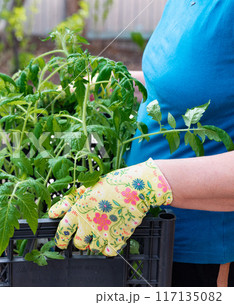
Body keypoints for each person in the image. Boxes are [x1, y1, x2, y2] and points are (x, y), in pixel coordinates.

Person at [49, 0, 234, 287]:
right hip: (140, 234)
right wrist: (106, 86)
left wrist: (148, 182)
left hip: (203, 258)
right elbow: (181, 85)